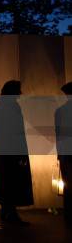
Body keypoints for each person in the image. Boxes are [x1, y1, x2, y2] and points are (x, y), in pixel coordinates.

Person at [0, 80, 33, 225]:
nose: (20, 93)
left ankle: (6, 211)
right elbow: (15, 132)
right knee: (13, 181)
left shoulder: (1, 106)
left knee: (5, 181)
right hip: (12, 152)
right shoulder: (11, 107)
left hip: (2, 151)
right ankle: (11, 213)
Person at [55, 82, 72, 227]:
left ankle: (69, 215)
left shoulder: (60, 112)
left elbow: (58, 135)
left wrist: (59, 154)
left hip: (66, 153)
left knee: (68, 185)